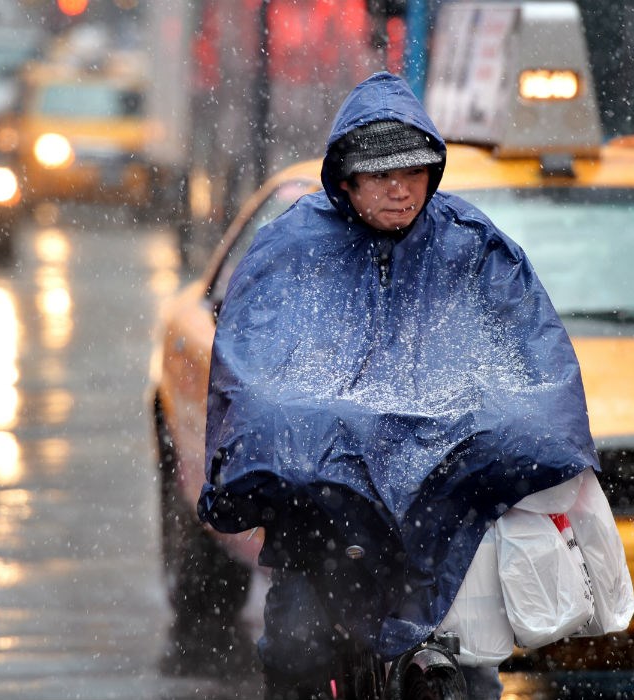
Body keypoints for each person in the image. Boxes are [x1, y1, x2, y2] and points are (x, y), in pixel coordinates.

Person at [198, 72, 600, 700]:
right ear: (346, 179)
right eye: (381, 175)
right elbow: (252, 369)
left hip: (444, 516)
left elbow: (531, 356)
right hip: (323, 514)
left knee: (468, 674)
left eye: (413, 173)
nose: (399, 189)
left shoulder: (472, 247)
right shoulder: (291, 249)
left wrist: (527, 435)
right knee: (298, 649)